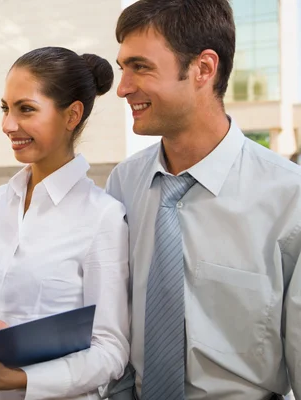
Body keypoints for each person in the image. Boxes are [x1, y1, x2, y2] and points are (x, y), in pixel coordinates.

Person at [108, 0, 300, 398]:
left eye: (140, 67)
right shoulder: (123, 184)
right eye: (122, 67)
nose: (123, 87)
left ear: (203, 69)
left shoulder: (290, 198)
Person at [0, 46, 130, 400]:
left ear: (72, 116)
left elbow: (110, 351)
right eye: (6, 109)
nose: (7, 125)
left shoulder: (103, 216)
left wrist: (18, 379)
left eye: (26, 109)